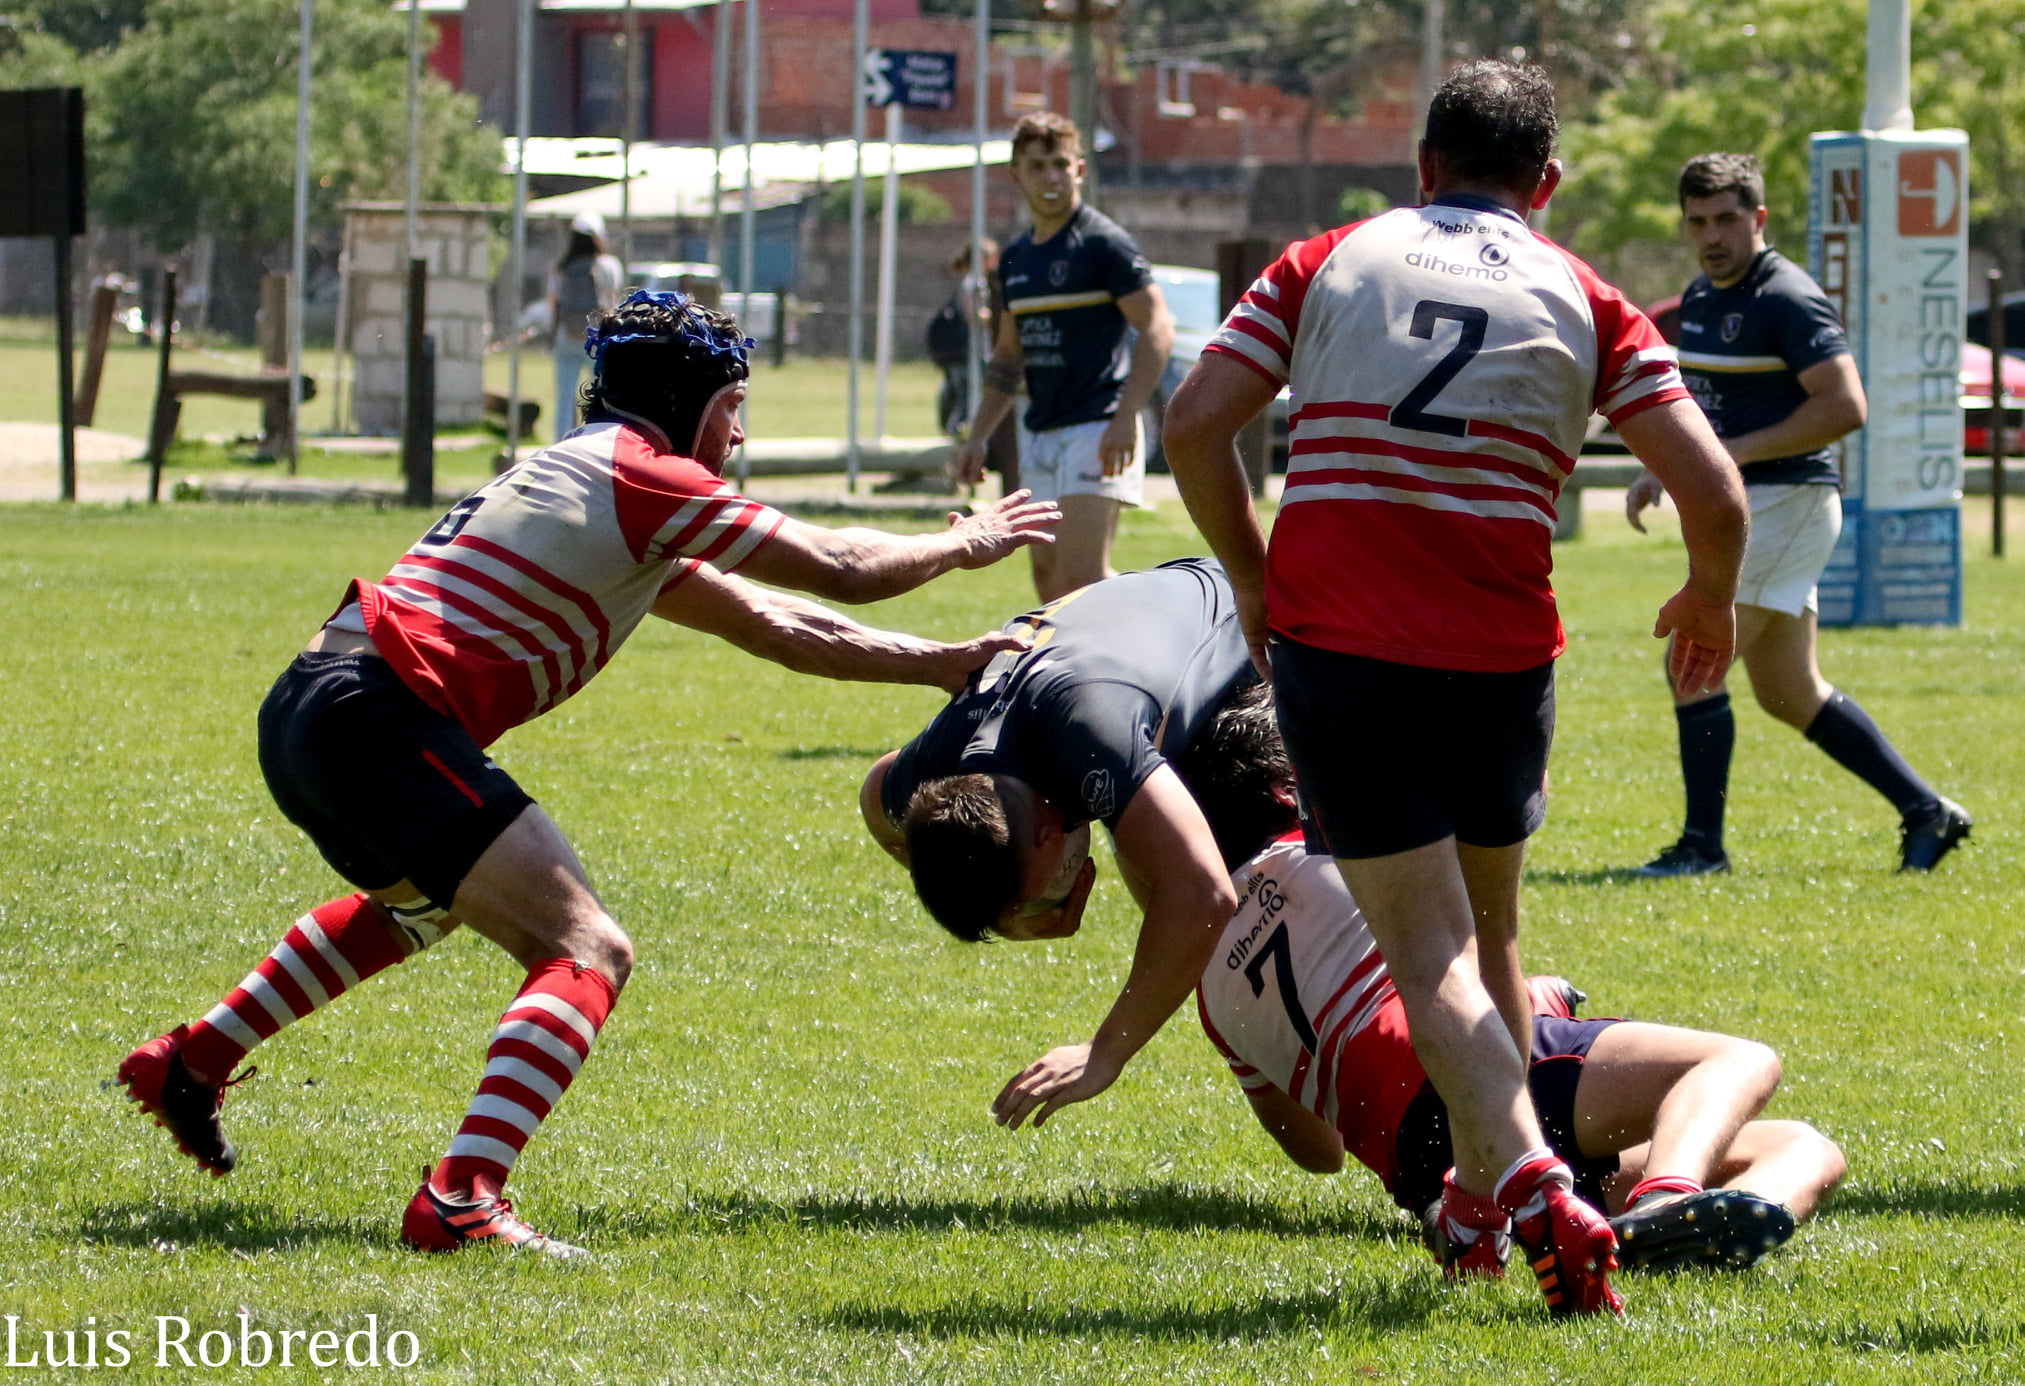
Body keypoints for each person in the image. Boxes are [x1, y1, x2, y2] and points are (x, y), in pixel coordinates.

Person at [116, 290, 1059, 1258]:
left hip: (317, 705)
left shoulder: (594, 484)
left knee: (421, 907)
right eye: (732, 408)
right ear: (688, 403)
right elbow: (840, 567)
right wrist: (967, 541)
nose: (737, 436)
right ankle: (462, 1199)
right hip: (381, 716)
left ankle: (192, 1060)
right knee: (587, 949)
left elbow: (784, 626)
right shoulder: (643, 476)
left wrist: (946, 662)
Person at [1161, 60, 1751, 1317]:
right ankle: (1481, 1196)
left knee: (1426, 954)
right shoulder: (1587, 295)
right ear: (1545, 186)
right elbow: (1715, 493)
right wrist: (1709, 599)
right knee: (1494, 941)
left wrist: (1254, 580)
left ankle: (1532, 1184)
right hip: (1499, 655)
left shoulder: (1328, 258)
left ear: (1422, 167)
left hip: (1347, 647)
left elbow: (1197, 423)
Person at [1200, 827, 1846, 1280]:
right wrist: (1538, 997)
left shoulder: (1207, 986)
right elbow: (1456, 966)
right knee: (1740, 1061)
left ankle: (1665, 1239)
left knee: (1799, 1145)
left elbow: (1319, 1153)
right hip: (1472, 1077)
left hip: (1426, 1168)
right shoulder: (1330, 852)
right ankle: (1666, 1200)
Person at [1626, 152, 1972, 877]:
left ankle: (1700, 849)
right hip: (1755, 504)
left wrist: (1730, 456)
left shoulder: (1786, 296)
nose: (1712, 234)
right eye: (1697, 221)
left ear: (1758, 219)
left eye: (1727, 218)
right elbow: (1701, 410)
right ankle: (1926, 810)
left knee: (1691, 663)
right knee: (1787, 692)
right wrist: (1663, 465)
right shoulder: (1698, 296)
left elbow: (1845, 407)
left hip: (1786, 502)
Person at [859, 559, 1263, 1131]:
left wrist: (1105, 1052)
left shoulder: (1087, 731)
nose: (1046, 902)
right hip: (1145, 631)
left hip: (1250, 616)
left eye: (1032, 894)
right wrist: (1008, 918)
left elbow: (1204, 896)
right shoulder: (937, 767)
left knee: (1240, 913)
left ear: (1049, 833)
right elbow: (875, 800)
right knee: (1176, 898)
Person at [954, 111, 1174, 602]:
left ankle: (1173, 623)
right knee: (1049, 585)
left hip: (1098, 426)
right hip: (1040, 430)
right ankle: (1072, 678)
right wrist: (978, 436)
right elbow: (1008, 359)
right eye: (1037, 166)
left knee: (1082, 580)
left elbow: (1158, 327)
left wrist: (1126, 415)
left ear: (1079, 170)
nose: (1050, 177)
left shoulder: (1104, 245)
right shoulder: (1015, 259)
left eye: (1060, 164)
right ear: (1016, 175)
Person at [548, 210, 626, 440]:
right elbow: (613, 302)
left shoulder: (562, 267)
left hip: (566, 337)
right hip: (596, 339)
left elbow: (552, 304)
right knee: (599, 394)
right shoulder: (609, 265)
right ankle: (597, 441)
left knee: (565, 397)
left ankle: (561, 443)